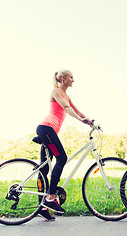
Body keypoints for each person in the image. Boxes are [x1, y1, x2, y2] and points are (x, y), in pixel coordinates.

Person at [36, 69, 91, 221]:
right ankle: (50, 197)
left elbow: (76, 110)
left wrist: (89, 121)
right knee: (61, 158)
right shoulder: (56, 91)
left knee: (45, 168)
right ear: (63, 78)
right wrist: (82, 121)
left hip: (48, 132)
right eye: (71, 77)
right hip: (46, 129)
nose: (73, 80)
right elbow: (66, 108)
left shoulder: (67, 96)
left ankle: (42, 208)